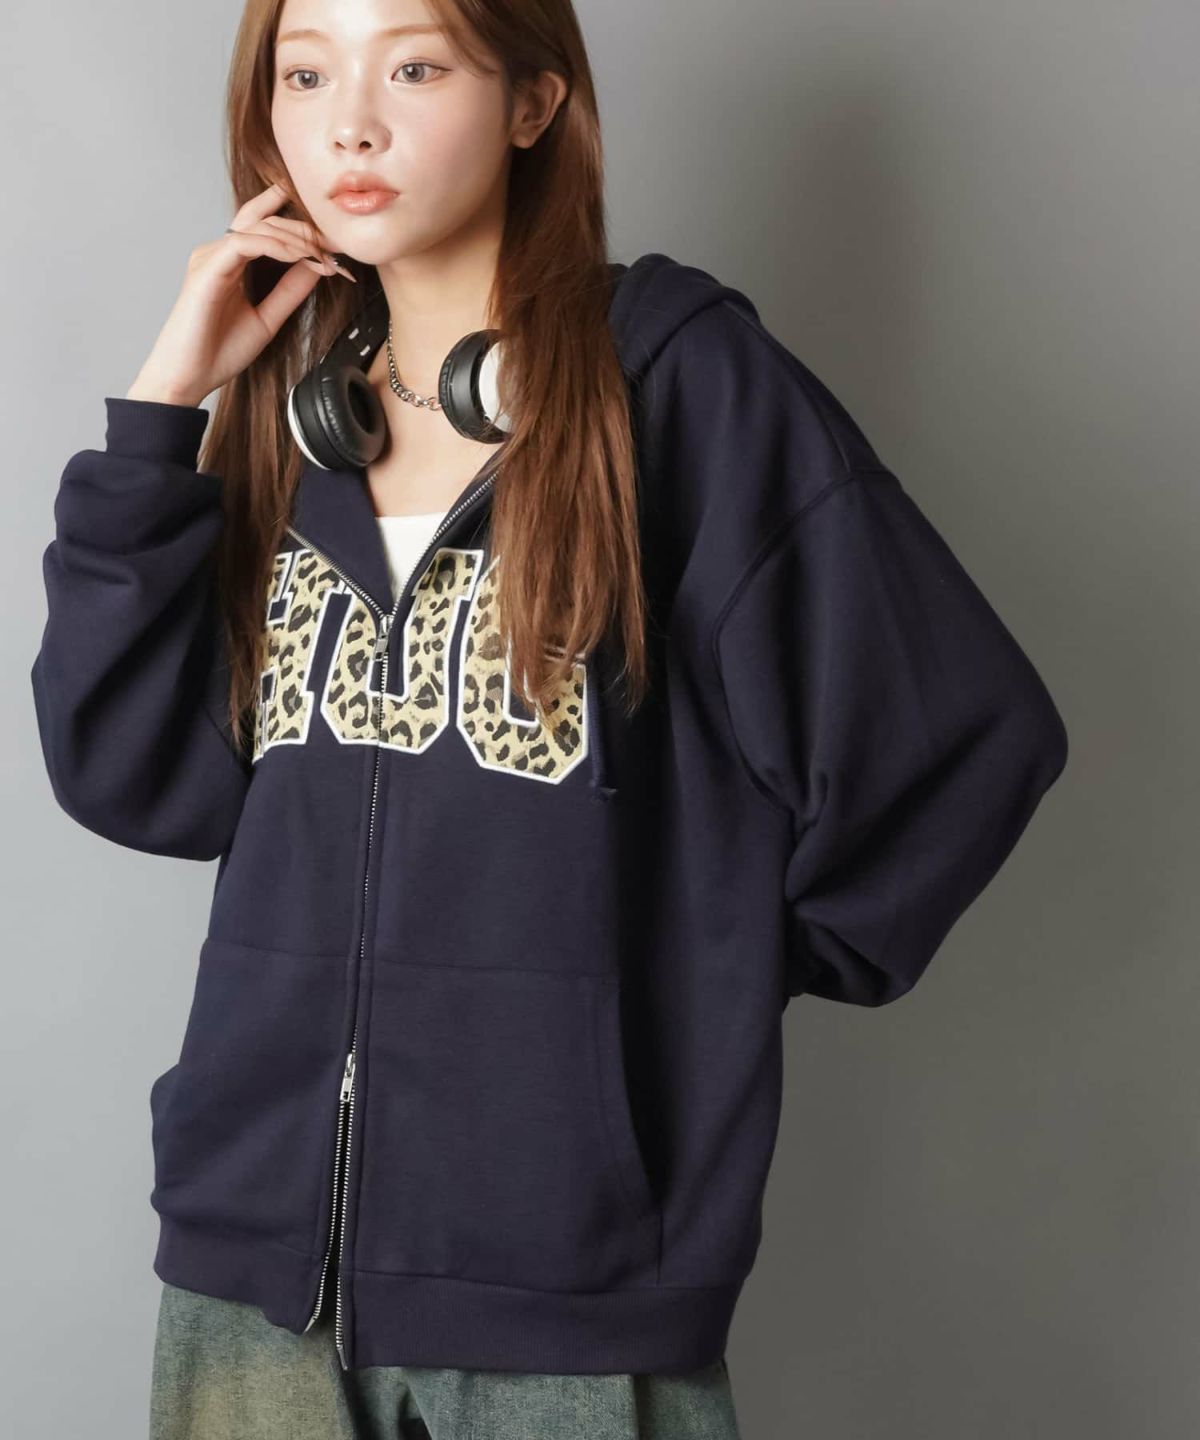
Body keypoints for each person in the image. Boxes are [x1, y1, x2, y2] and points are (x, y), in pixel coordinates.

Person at [29, 0, 1069, 1437]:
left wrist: (680, 995)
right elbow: (139, 777)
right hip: (248, 1277)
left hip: (567, 1295)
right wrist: (163, 414)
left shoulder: (680, 386)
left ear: (532, 101)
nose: (351, 124)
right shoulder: (291, 418)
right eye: (305, 74)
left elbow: (958, 740)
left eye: (414, 65)